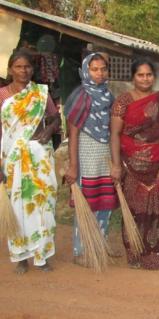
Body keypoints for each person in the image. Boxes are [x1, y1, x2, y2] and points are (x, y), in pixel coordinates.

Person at [110, 58, 159, 270]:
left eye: (149, 74)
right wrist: (115, 165)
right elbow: (114, 134)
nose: (145, 78)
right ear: (133, 77)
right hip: (130, 164)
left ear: (154, 77)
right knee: (134, 209)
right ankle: (135, 253)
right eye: (141, 74)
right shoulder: (123, 101)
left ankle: (156, 254)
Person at [0, 51, 60, 274]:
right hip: (12, 157)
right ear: (10, 70)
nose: (23, 71)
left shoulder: (41, 93)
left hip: (39, 155)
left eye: (27, 67)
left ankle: (42, 255)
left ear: (32, 70)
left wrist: (47, 132)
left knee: (43, 203)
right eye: (18, 66)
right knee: (17, 207)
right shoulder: (3, 95)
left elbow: (55, 118)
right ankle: (21, 257)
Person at [63, 52, 119, 265]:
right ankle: (80, 251)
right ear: (86, 71)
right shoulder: (80, 96)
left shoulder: (108, 95)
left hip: (104, 153)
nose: (99, 73)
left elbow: (113, 130)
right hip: (85, 154)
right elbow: (73, 133)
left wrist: (115, 161)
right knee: (85, 204)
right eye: (94, 69)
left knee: (104, 201)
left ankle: (101, 244)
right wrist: (73, 166)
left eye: (103, 69)